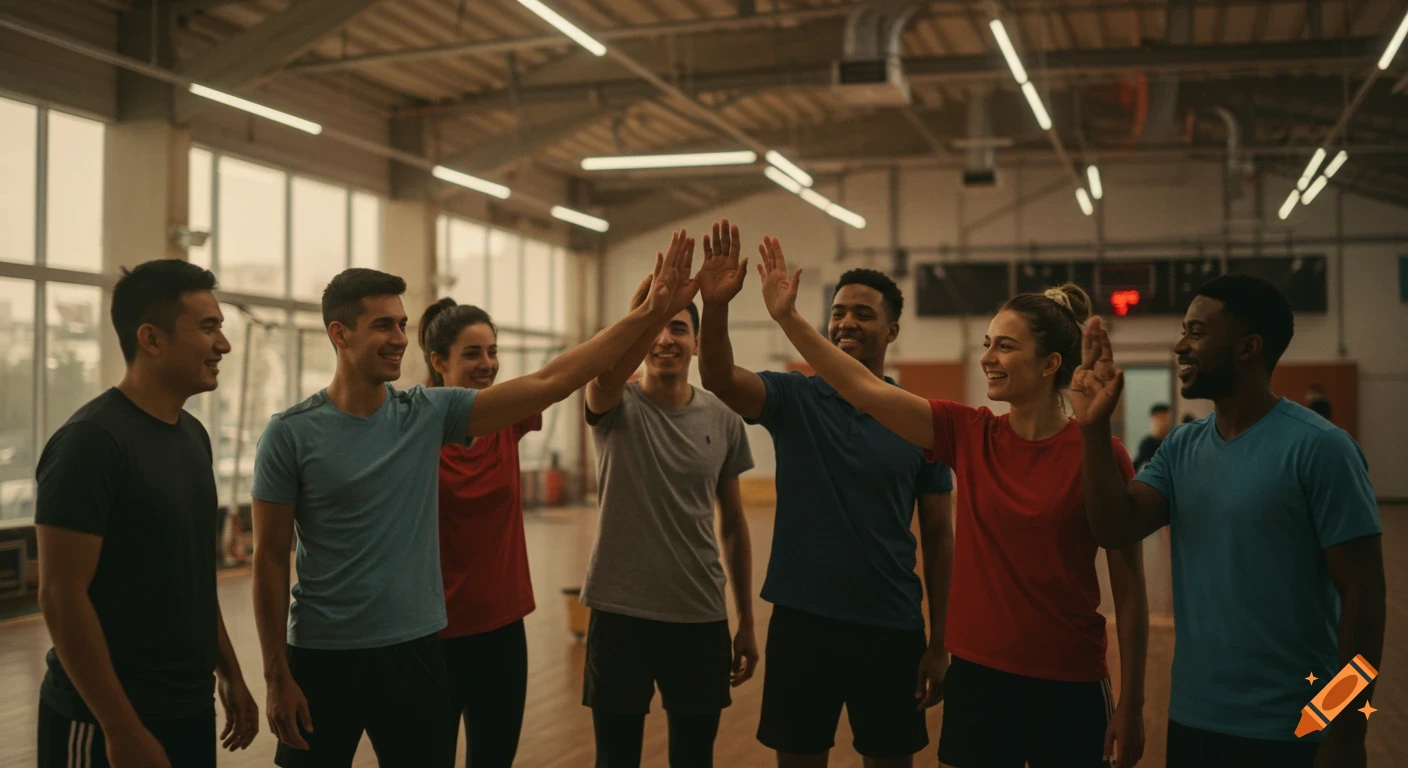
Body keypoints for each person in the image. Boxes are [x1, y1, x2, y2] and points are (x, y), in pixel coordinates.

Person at [251, 252, 689, 768]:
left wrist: (645, 315)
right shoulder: (290, 433)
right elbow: (271, 557)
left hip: (413, 653)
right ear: (339, 334)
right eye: (382, 325)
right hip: (321, 656)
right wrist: (277, 673)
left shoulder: (428, 415)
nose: (397, 338)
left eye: (402, 324)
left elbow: (552, 380)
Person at [749, 237, 1150, 768]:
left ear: (1051, 362)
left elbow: (1129, 588)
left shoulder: (1102, 452)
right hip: (979, 678)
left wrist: (1134, 703)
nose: (986, 357)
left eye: (1004, 346)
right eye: (988, 342)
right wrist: (788, 319)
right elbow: (864, 388)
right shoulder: (969, 433)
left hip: (1068, 681)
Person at [1076, 274, 1385, 768]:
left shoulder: (1322, 449)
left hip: (1297, 727)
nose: (1180, 345)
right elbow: (1115, 528)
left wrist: (1345, 729)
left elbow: (1364, 599)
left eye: (1196, 332)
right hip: (1195, 719)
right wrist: (1092, 430)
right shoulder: (1182, 447)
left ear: (1248, 348)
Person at [696, 220, 956, 768]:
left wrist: (940, 642)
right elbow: (718, 377)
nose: (846, 322)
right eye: (838, 312)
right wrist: (715, 306)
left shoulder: (920, 420)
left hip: (891, 625)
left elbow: (938, 536)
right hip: (802, 622)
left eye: (863, 313)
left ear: (892, 331)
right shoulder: (795, 398)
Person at [35, 260, 260, 768]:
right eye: (208, 328)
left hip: (187, 708)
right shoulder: (91, 442)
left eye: (221, 327)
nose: (223, 344)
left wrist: (229, 672)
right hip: (100, 721)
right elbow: (59, 595)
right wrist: (119, 727)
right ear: (152, 339)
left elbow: (192, 576)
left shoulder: (193, 436)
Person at [581, 230, 758, 768]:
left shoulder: (724, 418)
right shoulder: (613, 402)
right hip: (618, 612)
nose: (664, 340)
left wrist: (745, 619)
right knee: (616, 758)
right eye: (656, 331)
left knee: (693, 758)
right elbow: (608, 369)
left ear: (696, 343)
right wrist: (649, 311)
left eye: (678, 329)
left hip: (698, 614)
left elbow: (733, 525)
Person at [417, 299, 540, 768]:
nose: (487, 364)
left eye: (492, 351)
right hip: (432, 636)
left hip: (504, 633)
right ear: (438, 361)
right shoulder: (413, 426)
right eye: (472, 354)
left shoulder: (507, 418)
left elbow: (566, 379)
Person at [1133, 403, 1172, 470]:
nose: (1165, 423)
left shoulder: (1173, 442)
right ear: (1153, 419)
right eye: (1161, 419)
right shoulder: (1147, 444)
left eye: (1167, 420)